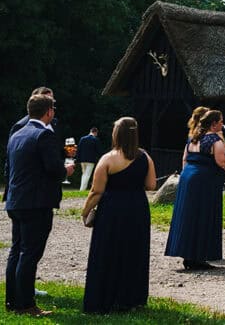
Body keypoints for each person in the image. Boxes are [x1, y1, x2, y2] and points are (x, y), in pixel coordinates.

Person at [5, 92, 72, 316]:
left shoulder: (17, 133)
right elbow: (53, 168)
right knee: (30, 253)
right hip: (36, 202)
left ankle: (12, 300)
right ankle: (26, 304)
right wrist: (67, 170)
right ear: (49, 112)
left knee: (16, 251)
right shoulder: (43, 135)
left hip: (16, 201)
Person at [81, 117, 157, 313]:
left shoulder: (108, 158)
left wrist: (85, 211)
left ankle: (106, 296)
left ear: (117, 134)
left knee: (108, 250)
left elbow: (96, 191)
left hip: (113, 209)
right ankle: (131, 298)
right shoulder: (145, 157)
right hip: (137, 208)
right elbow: (151, 185)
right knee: (134, 251)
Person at [165, 108, 225, 270]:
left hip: (188, 178)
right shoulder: (215, 140)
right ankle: (198, 256)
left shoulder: (193, 138)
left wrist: (187, 177)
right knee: (203, 216)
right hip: (204, 181)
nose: (222, 123)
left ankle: (187, 254)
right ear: (214, 124)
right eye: (221, 121)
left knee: (187, 215)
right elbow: (222, 163)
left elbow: (185, 159)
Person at [76, 127, 101, 191]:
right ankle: (82, 190)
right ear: (95, 132)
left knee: (84, 174)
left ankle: (81, 189)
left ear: (90, 131)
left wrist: (77, 159)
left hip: (82, 160)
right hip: (91, 161)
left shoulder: (82, 138)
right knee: (87, 175)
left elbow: (78, 150)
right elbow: (98, 151)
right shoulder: (95, 139)